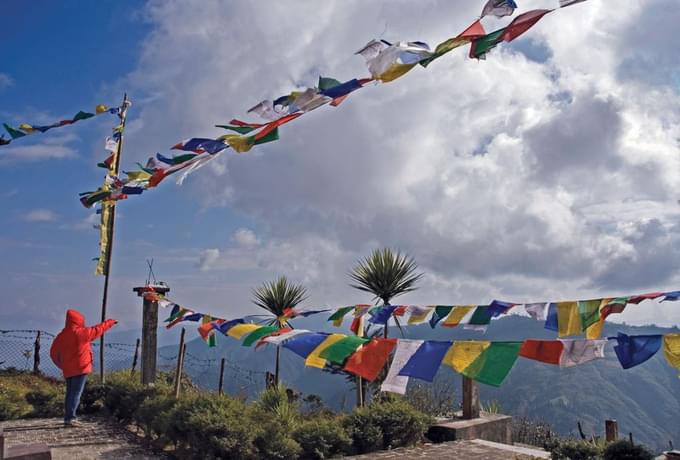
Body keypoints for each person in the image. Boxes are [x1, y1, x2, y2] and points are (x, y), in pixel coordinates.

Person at [50, 309, 117, 427]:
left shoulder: (61, 336)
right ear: (79, 320)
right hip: (81, 368)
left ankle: (68, 417)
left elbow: (53, 353)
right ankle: (71, 418)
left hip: (68, 369)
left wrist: (61, 365)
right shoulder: (82, 333)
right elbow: (98, 329)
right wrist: (110, 322)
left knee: (70, 393)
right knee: (76, 393)